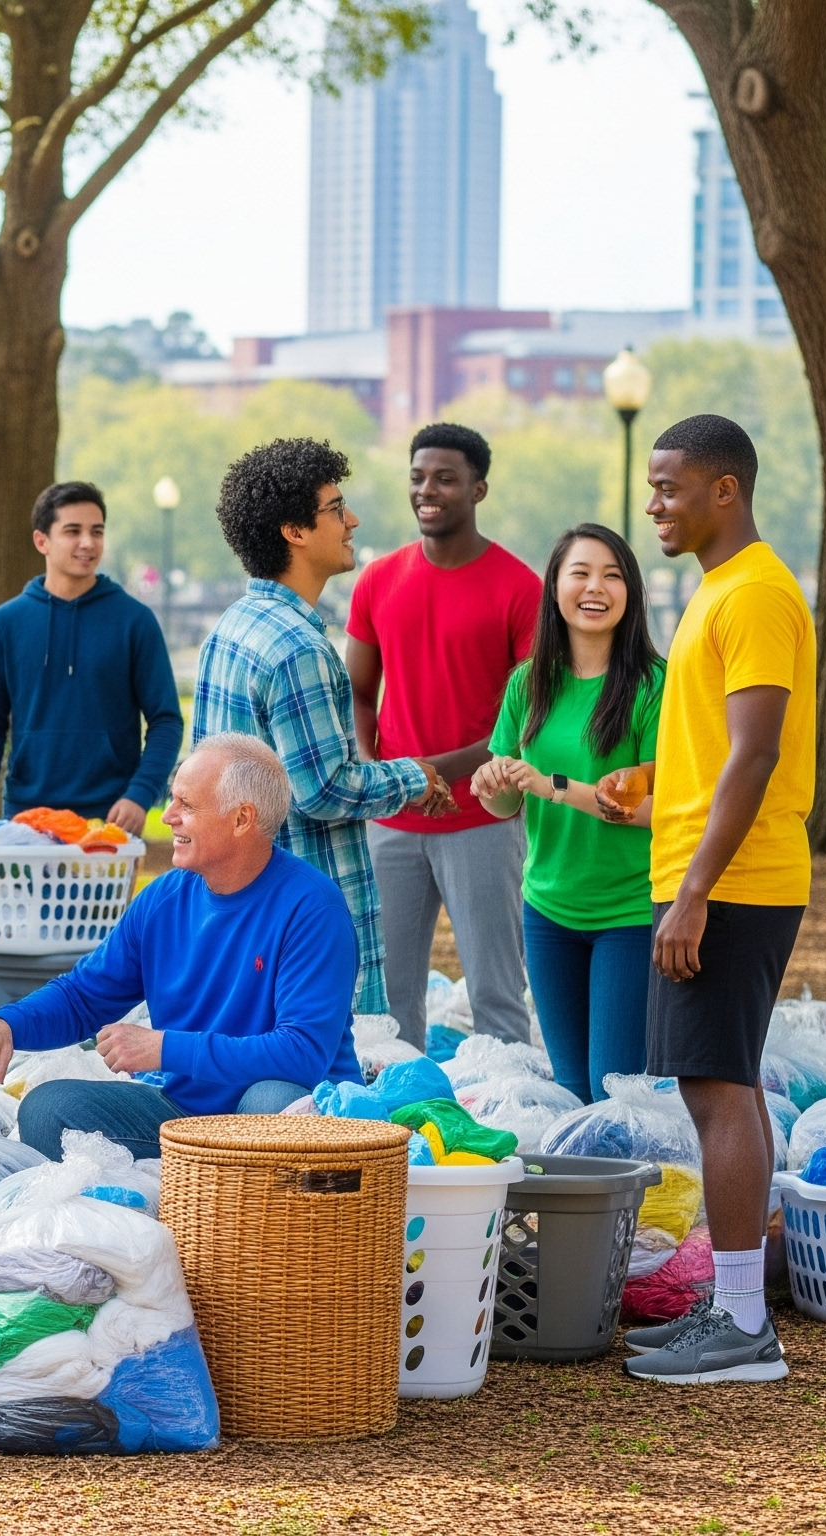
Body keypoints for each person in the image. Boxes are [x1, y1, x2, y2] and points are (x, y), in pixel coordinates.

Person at [615, 413, 810, 1388]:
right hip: (702, 871)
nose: (652, 504)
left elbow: (758, 752)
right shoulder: (717, 592)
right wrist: (649, 793)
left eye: (668, 487)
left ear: (722, 490)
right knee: (714, 1082)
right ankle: (732, 1311)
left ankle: (740, 1327)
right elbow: (717, 750)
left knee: (716, 1086)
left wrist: (693, 890)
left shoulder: (757, 595)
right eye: (650, 487)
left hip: (726, 883)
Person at [0, 735, 363, 1161]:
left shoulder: (314, 908)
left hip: (300, 1118)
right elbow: (84, 996)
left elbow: (302, 1054)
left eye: (187, 805)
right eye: (172, 801)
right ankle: (190, 1189)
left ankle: (228, 1205)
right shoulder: (163, 898)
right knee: (47, 1110)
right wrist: (5, 1025)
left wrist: (164, 1048)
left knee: (270, 1105)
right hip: (186, 1116)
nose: (167, 817)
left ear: (242, 818)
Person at [192, 437, 452, 1020]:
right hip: (305, 927)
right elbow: (324, 789)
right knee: (322, 1105)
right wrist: (415, 778)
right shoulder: (298, 649)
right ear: (295, 531)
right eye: (336, 509)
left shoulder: (230, 628)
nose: (352, 520)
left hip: (240, 917)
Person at [346, 424, 540, 1047]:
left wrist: (432, 772)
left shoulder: (519, 588)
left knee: (495, 991)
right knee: (387, 995)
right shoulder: (378, 580)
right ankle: (391, 1125)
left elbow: (524, 722)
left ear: (478, 488)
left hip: (481, 816)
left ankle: (514, 1115)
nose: (427, 490)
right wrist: (384, 777)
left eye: (445, 478)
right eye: (418, 477)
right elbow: (357, 691)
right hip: (393, 821)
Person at [470, 525, 664, 1104]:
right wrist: (494, 782)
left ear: (630, 590)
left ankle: (627, 1195)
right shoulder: (527, 685)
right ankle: (583, 1196)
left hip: (627, 911)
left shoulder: (653, 684)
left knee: (614, 1088)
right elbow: (506, 802)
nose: (595, 587)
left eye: (612, 574)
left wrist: (557, 787)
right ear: (554, 586)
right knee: (571, 1087)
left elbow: (659, 810)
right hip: (547, 911)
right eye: (580, 573)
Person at [0, 480, 182, 827]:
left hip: (111, 818)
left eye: (97, 531)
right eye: (73, 531)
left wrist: (140, 794)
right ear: (42, 541)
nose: (87, 543)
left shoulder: (135, 621)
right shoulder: (6, 622)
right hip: (25, 816)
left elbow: (166, 719)